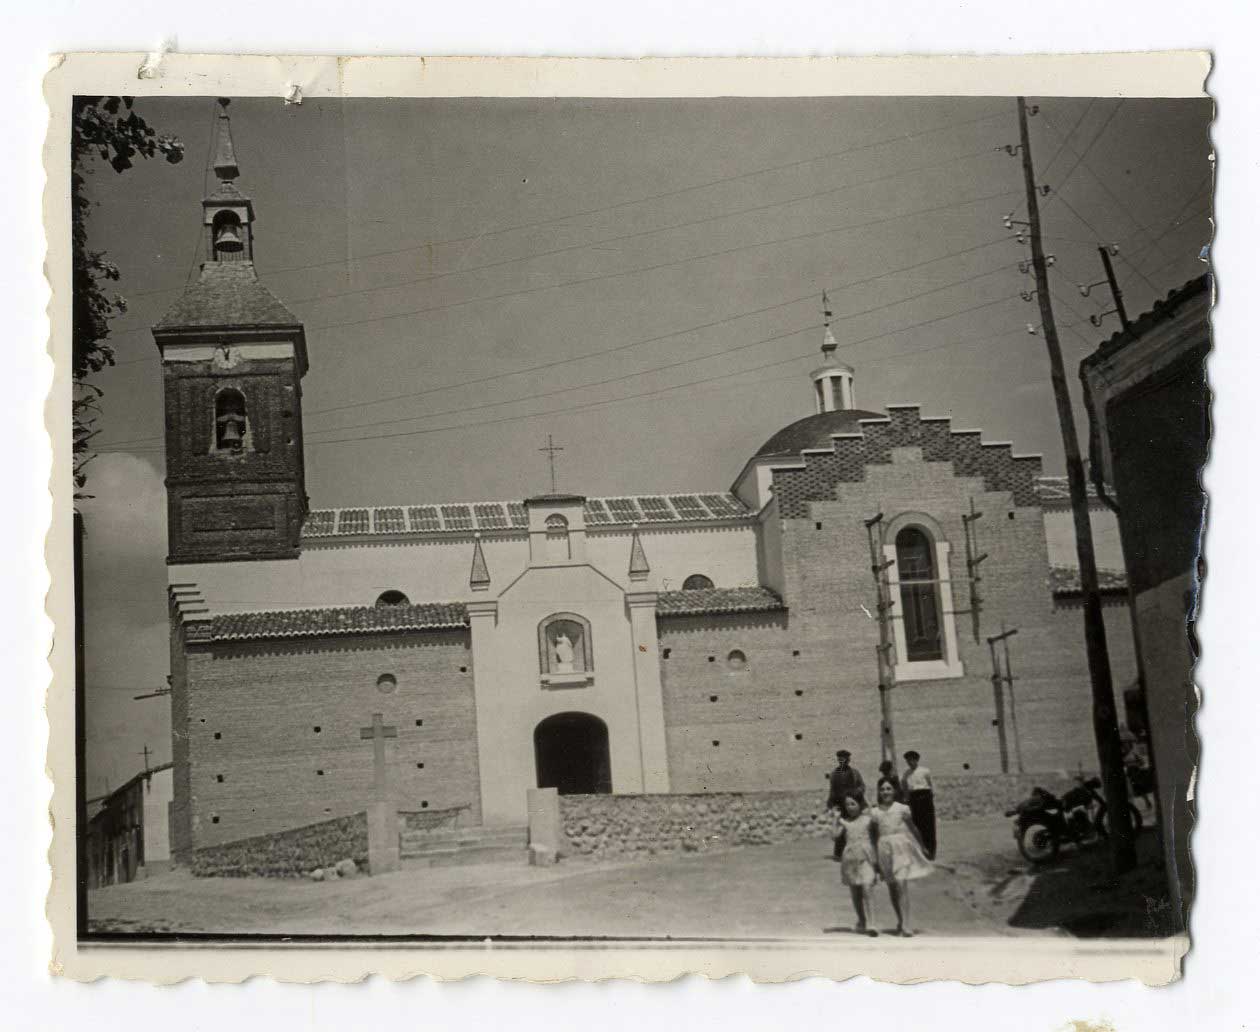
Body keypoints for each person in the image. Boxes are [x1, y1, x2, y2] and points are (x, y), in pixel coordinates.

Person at [871, 777, 934, 936]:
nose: (886, 792)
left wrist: (923, 846)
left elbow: (913, 828)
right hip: (884, 849)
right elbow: (873, 835)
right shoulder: (875, 812)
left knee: (901, 884)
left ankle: (906, 924)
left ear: (895, 791)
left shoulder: (901, 809)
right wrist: (874, 857)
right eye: (883, 789)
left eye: (889, 789)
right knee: (892, 887)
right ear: (879, 791)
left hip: (900, 847)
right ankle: (900, 920)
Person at [833, 794, 879, 936]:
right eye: (847, 805)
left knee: (867, 887)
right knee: (855, 892)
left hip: (866, 858)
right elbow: (835, 836)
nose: (850, 807)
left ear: (860, 804)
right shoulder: (845, 822)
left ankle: (872, 923)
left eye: (853, 804)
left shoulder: (867, 820)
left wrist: (870, 806)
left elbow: (877, 825)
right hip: (850, 859)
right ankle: (861, 920)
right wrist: (836, 819)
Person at [826, 750, 867, 859]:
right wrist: (830, 803)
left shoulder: (855, 773)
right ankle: (839, 853)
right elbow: (832, 790)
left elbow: (862, 786)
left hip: (852, 804)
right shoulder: (834, 774)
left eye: (844, 758)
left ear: (848, 760)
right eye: (839, 759)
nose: (841, 761)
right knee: (841, 827)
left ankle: (857, 851)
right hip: (840, 805)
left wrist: (856, 794)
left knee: (854, 827)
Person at [901, 749, 937, 860]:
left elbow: (932, 785)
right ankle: (922, 851)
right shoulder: (906, 774)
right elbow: (905, 788)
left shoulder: (925, 771)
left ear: (916, 760)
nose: (910, 762)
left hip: (925, 798)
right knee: (917, 825)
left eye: (912, 760)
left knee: (929, 826)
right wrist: (907, 800)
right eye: (908, 760)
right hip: (914, 800)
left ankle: (931, 851)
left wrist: (930, 798)